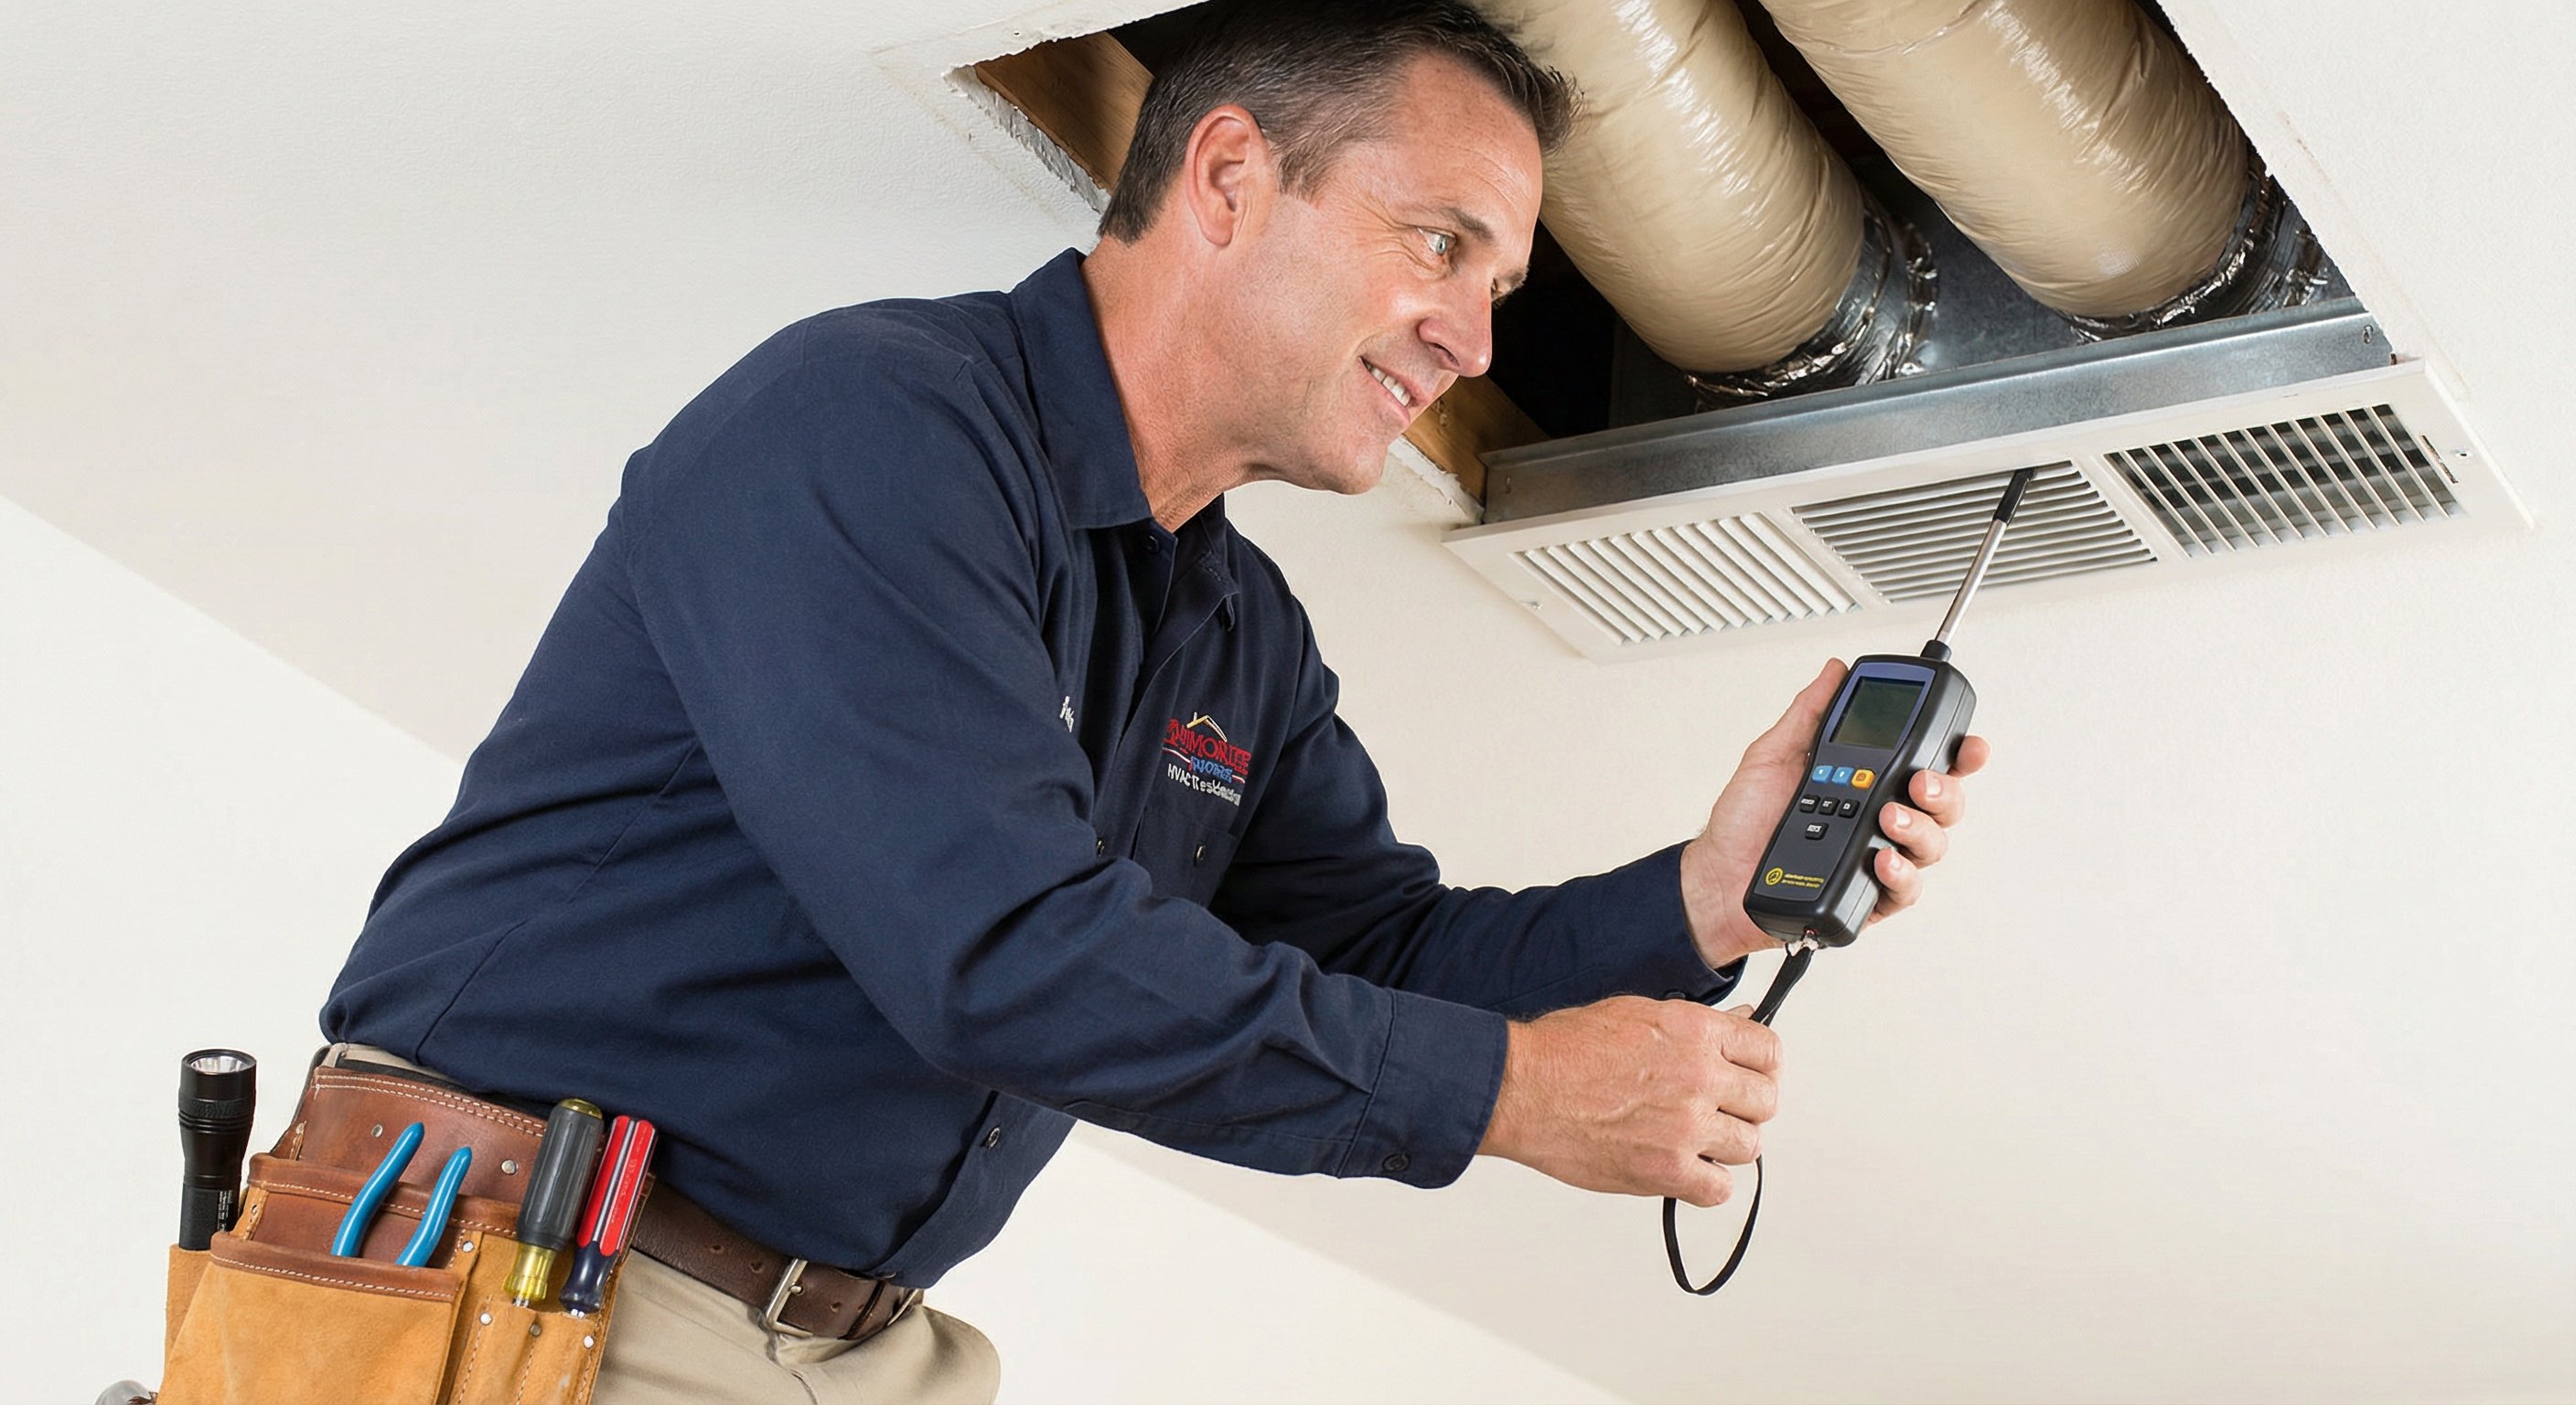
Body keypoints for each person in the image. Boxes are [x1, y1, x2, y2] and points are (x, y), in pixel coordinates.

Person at [318, 2, 1987, 1400]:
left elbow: (1380, 952)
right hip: (520, 1295)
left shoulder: (1235, 628)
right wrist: (1517, 1098)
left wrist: (1703, 895)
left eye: (1501, 289)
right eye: (1440, 244)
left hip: (857, 1349)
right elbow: (1000, 951)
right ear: (1233, 176)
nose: (1473, 337)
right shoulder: (871, 428)